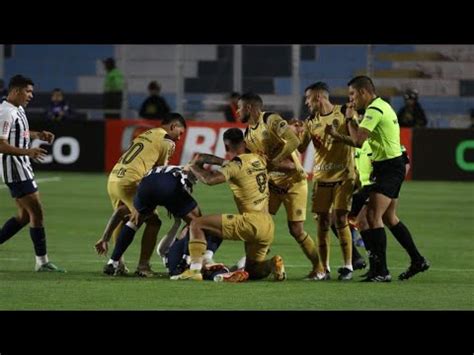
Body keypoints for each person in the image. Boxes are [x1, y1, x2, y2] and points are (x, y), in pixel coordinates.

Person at [326, 75, 430, 282]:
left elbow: (358, 141)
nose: (352, 100)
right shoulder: (381, 106)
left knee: (371, 218)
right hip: (387, 168)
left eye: (353, 95)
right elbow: (363, 142)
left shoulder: (374, 109)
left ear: (364, 92)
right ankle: (415, 260)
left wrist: (348, 118)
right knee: (386, 218)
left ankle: (381, 270)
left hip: (389, 169)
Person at [171, 128, 286, 282]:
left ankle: (194, 270)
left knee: (197, 224)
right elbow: (230, 163)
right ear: (245, 143)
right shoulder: (257, 158)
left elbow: (210, 179)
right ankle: (273, 264)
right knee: (253, 271)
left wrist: (192, 166)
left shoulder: (235, 166)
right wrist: (201, 158)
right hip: (268, 225)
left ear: (226, 147)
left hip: (251, 222)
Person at [238, 92, 322, 279]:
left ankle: (319, 267)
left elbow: (293, 141)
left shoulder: (270, 119)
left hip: (294, 182)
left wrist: (274, 161)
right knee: (257, 222)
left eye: (239, 107)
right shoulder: (248, 133)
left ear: (249, 107)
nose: (237, 111)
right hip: (273, 185)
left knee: (296, 230)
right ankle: (253, 263)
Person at [95, 113, 186, 277]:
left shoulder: (146, 133)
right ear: (173, 126)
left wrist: (105, 237)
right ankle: (143, 267)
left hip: (115, 178)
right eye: (180, 133)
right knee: (154, 221)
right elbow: (159, 174)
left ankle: (118, 263)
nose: (179, 139)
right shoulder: (167, 141)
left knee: (124, 214)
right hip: (131, 181)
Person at [0, 74, 65, 272]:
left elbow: (20, 134)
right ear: (16, 91)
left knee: (24, 216)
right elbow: (1, 144)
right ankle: (42, 262)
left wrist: (39, 135)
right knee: (36, 212)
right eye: (28, 92)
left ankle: (42, 262)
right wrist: (28, 151)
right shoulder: (5, 112)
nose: (31, 96)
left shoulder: (17, 109)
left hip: (22, 167)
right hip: (15, 169)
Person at [299, 82, 356, 281]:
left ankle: (348, 266)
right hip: (321, 177)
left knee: (340, 219)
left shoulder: (344, 113)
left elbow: (357, 141)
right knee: (322, 223)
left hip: (344, 176)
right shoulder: (310, 121)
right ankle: (324, 269)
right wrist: (294, 131)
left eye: (308, 99)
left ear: (318, 97)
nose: (306, 103)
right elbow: (300, 147)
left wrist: (337, 136)